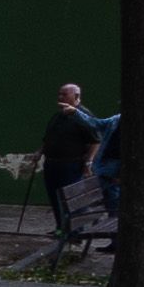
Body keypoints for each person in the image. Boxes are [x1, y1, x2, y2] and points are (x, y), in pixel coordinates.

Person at [40, 83, 101, 235]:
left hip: (71, 165)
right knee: (55, 197)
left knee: (72, 199)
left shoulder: (83, 115)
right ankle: (61, 228)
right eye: (59, 94)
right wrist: (39, 153)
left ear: (76, 97)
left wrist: (88, 161)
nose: (60, 97)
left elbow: (96, 140)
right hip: (52, 163)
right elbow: (49, 138)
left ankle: (75, 231)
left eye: (64, 94)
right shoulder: (59, 115)